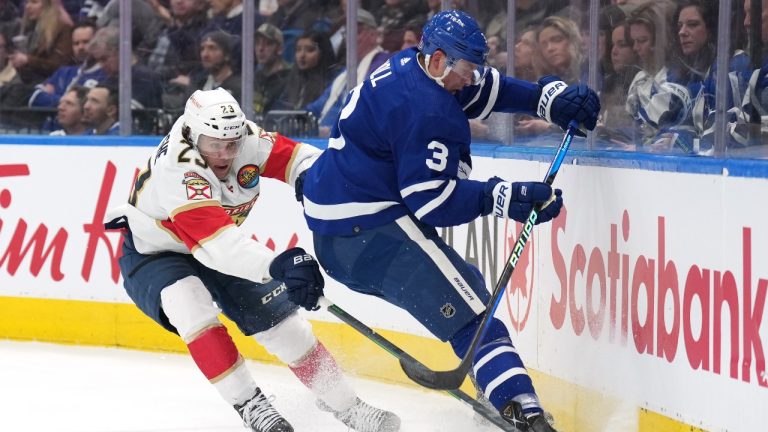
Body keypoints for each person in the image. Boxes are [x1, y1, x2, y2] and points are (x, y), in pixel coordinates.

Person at [300, 10, 599, 432]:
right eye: (466, 69)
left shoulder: (412, 64)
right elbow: (433, 203)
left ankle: (498, 388)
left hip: (345, 226)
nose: (473, 78)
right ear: (438, 59)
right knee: (475, 318)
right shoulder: (426, 112)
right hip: (369, 232)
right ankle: (521, 410)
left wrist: (544, 100)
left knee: (468, 290)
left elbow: (477, 90)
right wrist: (507, 196)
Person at [103, 87, 400, 432]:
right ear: (192, 134)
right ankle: (251, 405)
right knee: (191, 308)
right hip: (156, 253)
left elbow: (298, 157)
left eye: (231, 144)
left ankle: (348, 406)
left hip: (215, 244)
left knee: (287, 328)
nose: (226, 154)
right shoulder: (179, 171)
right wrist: (281, 265)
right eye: (215, 144)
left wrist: (315, 179)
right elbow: (221, 246)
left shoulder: (243, 137)